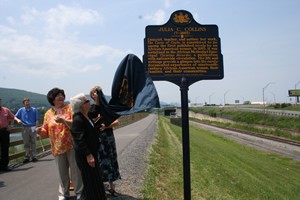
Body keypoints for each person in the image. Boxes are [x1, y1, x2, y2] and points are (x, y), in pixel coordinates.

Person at [36, 88, 83, 200]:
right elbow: (45, 131)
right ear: (52, 99)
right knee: (62, 173)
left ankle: (80, 192)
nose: (61, 96)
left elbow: (77, 124)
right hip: (57, 147)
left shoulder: (70, 108)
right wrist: (39, 131)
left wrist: (64, 121)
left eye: (62, 94)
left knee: (76, 170)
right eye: (58, 95)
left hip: (71, 145)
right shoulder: (48, 113)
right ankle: (63, 194)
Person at [70, 93, 107, 200]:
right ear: (81, 105)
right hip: (86, 156)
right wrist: (89, 155)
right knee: (90, 180)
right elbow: (79, 140)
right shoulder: (78, 119)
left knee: (96, 178)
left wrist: (97, 100)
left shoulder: (87, 115)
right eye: (87, 101)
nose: (89, 102)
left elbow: (96, 111)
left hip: (92, 153)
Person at [89, 86, 121, 196]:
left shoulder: (107, 107)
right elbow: (90, 121)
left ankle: (112, 187)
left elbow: (117, 122)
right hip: (97, 138)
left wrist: (106, 126)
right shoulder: (92, 108)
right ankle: (100, 187)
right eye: (92, 94)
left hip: (108, 138)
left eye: (96, 93)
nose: (94, 96)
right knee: (100, 161)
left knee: (110, 160)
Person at [15, 98, 40, 163]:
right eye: (26, 102)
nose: (27, 103)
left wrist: (37, 127)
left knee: (33, 142)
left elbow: (37, 119)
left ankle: (34, 156)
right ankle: (27, 156)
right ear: (24, 103)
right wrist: (18, 120)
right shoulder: (21, 110)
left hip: (33, 127)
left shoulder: (34, 110)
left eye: (28, 102)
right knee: (26, 143)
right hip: (24, 127)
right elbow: (15, 116)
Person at [0, 98, 15, 172]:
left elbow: (13, 117)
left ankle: (4, 166)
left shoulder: (5, 110)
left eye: (0, 102)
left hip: (5, 131)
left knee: (5, 149)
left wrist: (11, 126)